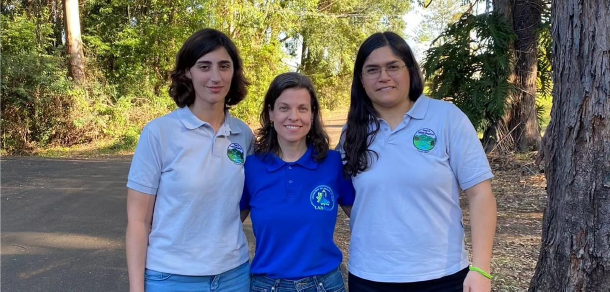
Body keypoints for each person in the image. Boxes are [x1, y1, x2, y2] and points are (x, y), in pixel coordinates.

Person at [338, 31, 497, 292]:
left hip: (441, 276)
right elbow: (343, 192)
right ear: (361, 80)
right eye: (372, 70)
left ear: (410, 70)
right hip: (370, 277)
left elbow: (480, 194)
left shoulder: (447, 118)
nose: (384, 77)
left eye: (393, 66)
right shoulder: (352, 133)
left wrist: (481, 269)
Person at [125, 28, 252, 292]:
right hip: (171, 278)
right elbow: (138, 221)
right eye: (204, 66)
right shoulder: (159, 133)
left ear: (234, 72)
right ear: (187, 73)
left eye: (224, 66)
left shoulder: (243, 134)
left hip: (234, 277)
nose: (215, 77)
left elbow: (240, 203)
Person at [240, 72, 354, 292]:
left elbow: (365, 216)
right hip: (266, 285)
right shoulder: (251, 168)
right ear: (271, 113)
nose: (294, 116)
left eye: (302, 108)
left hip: (325, 285)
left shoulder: (333, 164)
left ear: (312, 115)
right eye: (284, 108)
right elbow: (226, 225)